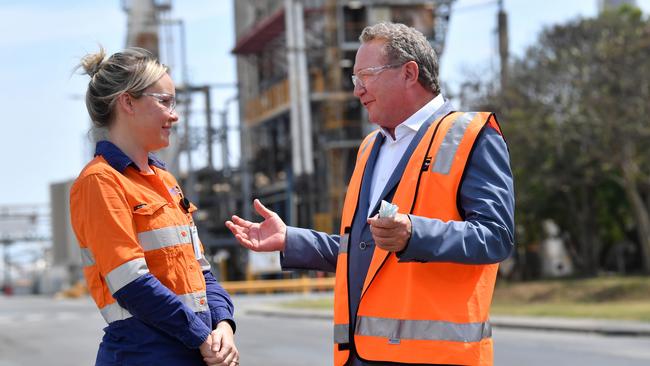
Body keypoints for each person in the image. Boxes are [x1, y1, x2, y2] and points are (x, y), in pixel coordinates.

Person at [227, 22, 514, 366]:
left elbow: (496, 238)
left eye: (366, 75)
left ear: (409, 73)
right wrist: (292, 239)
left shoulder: (470, 136)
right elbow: (365, 250)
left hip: (433, 358)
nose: (357, 90)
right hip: (361, 356)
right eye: (354, 79)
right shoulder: (369, 148)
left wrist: (414, 233)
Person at [70, 47, 239, 366]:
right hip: (142, 354)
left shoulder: (165, 179)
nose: (174, 115)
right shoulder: (100, 182)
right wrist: (201, 336)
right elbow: (130, 282)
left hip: (192, 349)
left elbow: (202, 271)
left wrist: (223, 327)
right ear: (127, 102)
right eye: (164, 101)